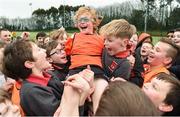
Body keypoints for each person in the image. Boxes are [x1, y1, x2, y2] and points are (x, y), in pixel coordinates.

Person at [2, 39, 64, 116]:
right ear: (30, 63)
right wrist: (73, 93)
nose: (44, 50)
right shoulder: (32, 92)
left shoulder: (48, 74)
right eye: (38, 50)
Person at [65, 6, 106, 113]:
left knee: (102, 96)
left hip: (96, 72)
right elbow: (65, 52)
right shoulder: (73, 37)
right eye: (80, 20)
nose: (82, 23)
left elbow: (110, 53)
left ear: (94, 23)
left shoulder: (101, 39)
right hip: (76, 72)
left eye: (86, 20)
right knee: (69, 98)